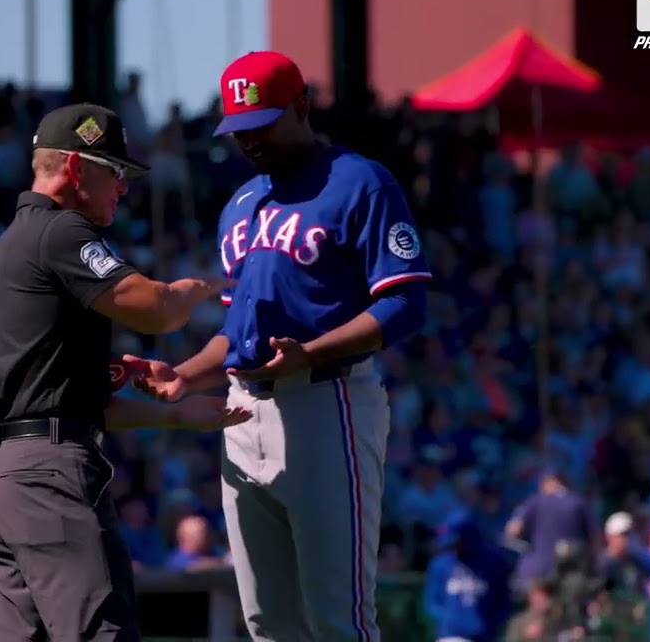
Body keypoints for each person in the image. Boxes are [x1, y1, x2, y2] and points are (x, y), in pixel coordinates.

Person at [130, 52, 431, 641]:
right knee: (266, 622)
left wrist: (313, 353)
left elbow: (404, 303)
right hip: (242, 412)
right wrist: (186, 376)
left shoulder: (360, 182)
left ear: (301, 106)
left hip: (326, 402)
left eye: (262, 124)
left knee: (338, 620)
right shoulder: (241, 204)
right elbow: (236, 331)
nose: (249, 140)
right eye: (239, 128)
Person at [0, 102, 251, 641]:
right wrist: (198, 288)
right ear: (76, 168)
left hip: (0, 475)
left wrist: (175, 415)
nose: (123, 187)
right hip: (46, 475)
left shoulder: (15, 240)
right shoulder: (60, 232)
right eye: (115, 171)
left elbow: (67, 402)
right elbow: (157, 310)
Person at [424, 511, 516, 642]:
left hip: (485, 636)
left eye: (456, 542)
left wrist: (491, 622)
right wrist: (454, 618)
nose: (453, 547)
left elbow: (504, 602)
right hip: (451, 635)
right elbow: (432, 603)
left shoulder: (494, 563)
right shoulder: (441, 564)